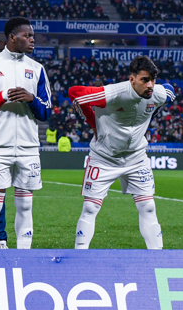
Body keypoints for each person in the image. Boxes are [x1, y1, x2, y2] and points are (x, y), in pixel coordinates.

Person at [68, 56, 171, 250]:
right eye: (144, 80)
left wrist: (148, 118)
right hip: (104, 158)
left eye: (153, 80)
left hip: (137, 158)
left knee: (148, 207)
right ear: (132, 79)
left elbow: (170, 91)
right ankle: (79, 256)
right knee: (90, 208)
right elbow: (75, 93)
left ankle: (158, 258)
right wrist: (93, 123)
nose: (150, 85)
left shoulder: (157, 94)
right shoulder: (113, 93)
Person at [0, 17, 52, 249]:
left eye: (32, 36)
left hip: (28, 149)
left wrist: (32, 99)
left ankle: (24, 256)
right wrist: (2, 96)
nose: (32, 40)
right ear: (12, 37)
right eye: (27, 36)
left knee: (25, 206)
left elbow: (46, 113)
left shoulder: (37, 69)